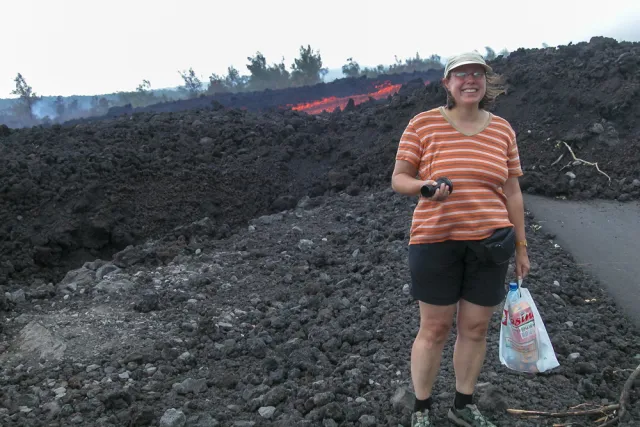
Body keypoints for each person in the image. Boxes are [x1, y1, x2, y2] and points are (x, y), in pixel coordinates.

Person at [391, 51, 531, 426]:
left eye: (477, 74)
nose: (470, 80)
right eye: (461, 75)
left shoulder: (502, 129)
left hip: (490, 243)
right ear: (447, 84)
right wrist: (425, 186)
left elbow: (513, 191)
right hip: (435, 239)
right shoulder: (423, 124)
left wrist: (521, 245)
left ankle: (462, 404)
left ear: (485, 82)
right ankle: (421, 409)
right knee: (434, 327)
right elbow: (399, 177)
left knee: (475, 327)